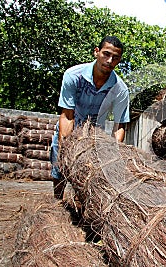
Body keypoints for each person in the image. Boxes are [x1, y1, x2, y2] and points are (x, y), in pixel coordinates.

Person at [50, 36, 130, 199]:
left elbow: (119, 125)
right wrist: (65, 147)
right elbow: (67, 115)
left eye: (115, 58)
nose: (109, 60)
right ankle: (57, 202)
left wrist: (113, 154)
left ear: (119, 60)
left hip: (94, 137)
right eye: (106, 54)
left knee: (88, 177)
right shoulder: (73, 76)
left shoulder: (120, 90)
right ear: (96, 52)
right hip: (69, 129)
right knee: (59, 170)